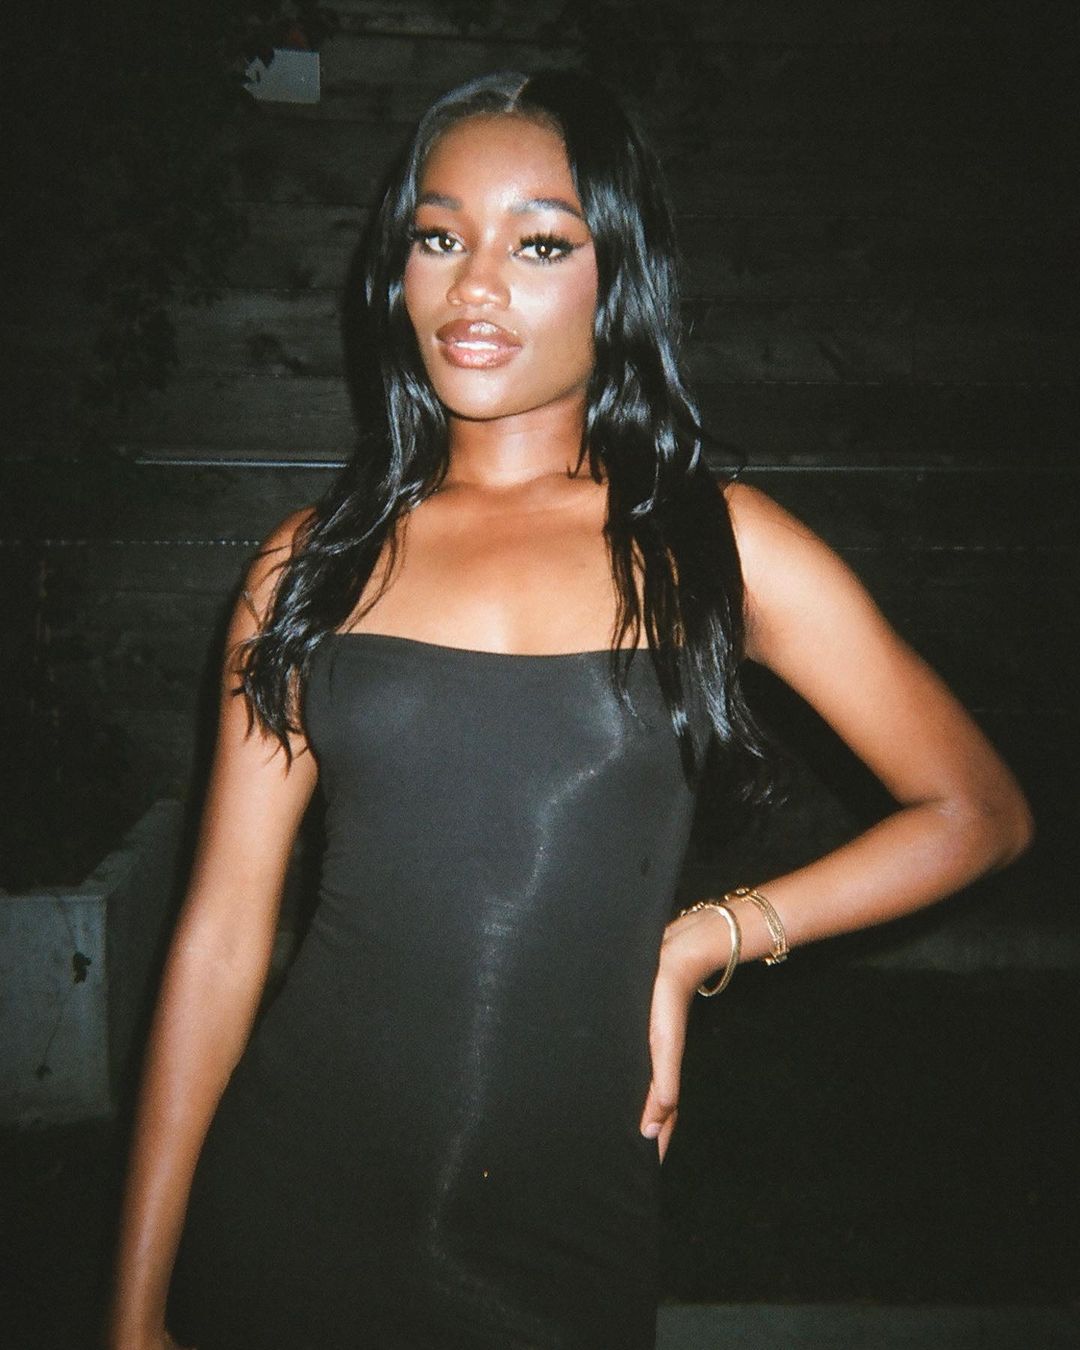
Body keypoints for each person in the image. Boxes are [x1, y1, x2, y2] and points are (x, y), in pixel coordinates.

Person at [107, 70, 1033, 1350]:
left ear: (620, 279)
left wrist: (707, 939)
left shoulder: (716, 546)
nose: (474, 287)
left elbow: (977, 812)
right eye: (440, 238)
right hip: (285, 1201)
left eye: (540, 244)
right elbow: (219, 937)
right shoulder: (310, 563)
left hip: (556, 1237)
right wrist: (135, 1306)